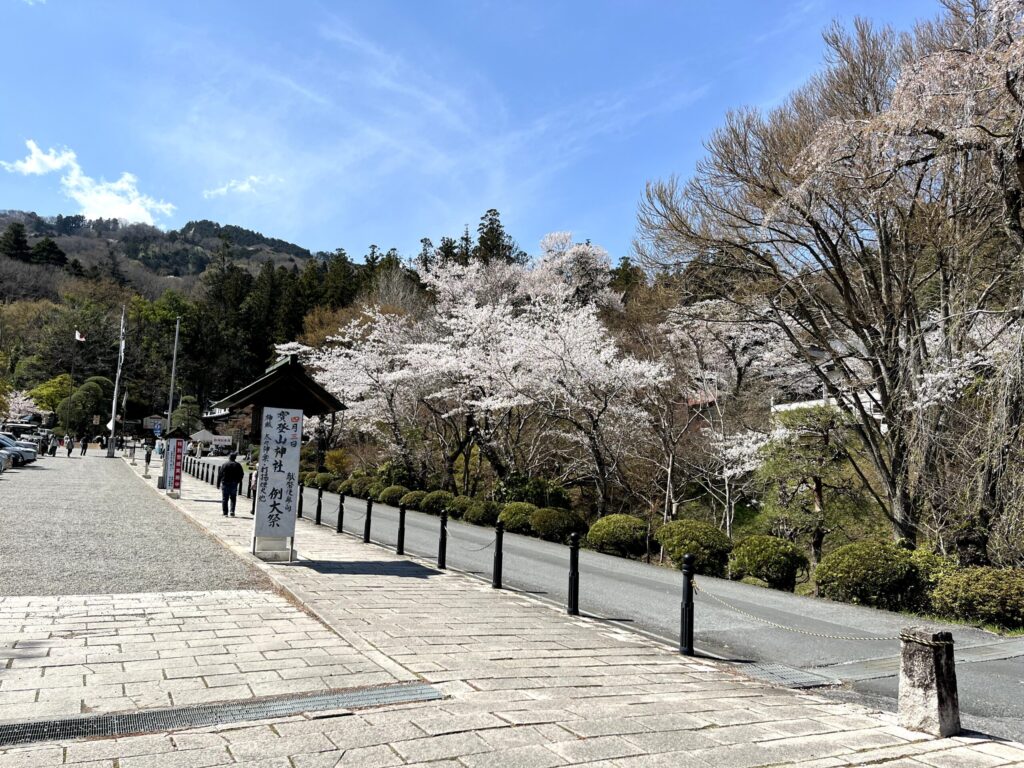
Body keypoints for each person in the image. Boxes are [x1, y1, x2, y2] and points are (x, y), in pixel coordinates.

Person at [216, 452, 245, 517]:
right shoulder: (238, 465)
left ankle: (225, 512)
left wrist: (218, 484)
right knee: (233, 498)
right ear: (235, 458)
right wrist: (238, 481)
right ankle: (232, 511)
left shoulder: (225, 464)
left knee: (225, 498)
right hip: (234, 483)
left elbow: (220, 475)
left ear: (229, 457)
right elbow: (241, 474)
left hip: (225, 482)